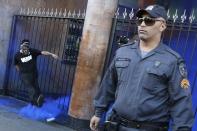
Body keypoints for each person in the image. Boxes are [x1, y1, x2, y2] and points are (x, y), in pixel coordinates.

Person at [90, 4, 194, 131]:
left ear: (162, 26)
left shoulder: (172, 60)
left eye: (149, 20)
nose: (143, 24)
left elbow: (181, 101)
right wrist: (98, 112)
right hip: (116, 125)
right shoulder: (123, 52)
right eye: (140, 19)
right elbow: (108, 84)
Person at [14, 39, 59, 107]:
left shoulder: (32, 51)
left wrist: (51, 54)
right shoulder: (17, 55)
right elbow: (16, 64)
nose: (26, 47)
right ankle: (34, 103)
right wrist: (20, 72)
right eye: (24, 45)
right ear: (21, 46)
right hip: (25, 75)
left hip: (34, 73)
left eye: (27, 45)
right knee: (31, 89)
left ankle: (39, 102)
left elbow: (42, 52)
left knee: (36, 88)